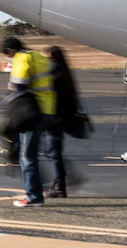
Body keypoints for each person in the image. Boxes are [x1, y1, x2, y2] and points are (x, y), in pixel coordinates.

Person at [3, 37, 56, 207]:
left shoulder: (22, 58)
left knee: (26, 157)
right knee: (32, 153)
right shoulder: (38, 56)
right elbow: (53, 72)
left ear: (11, 50)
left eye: (7, 54)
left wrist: (12, 85)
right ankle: (38, 189)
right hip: (47, 107)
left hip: (31, 111)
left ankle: (33, 196)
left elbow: (18, 83)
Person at [43, 46, 80, 199]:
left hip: (55, 119)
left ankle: (60, 185)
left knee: (53, 153)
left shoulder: (55, 75)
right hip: (60, 119)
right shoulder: (64, 73)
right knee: (52, 152)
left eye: (47, 59)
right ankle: (61, 182)